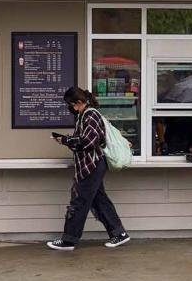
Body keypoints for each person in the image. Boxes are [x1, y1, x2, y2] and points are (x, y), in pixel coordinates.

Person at [47, 87, 130, 250]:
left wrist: (65, 141)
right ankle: (119, 234)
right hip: (92, 164)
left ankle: (69, 240)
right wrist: (67, 140)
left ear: (78, 102)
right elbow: (86, 140)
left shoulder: (90, 115)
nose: (70, 108)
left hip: (92, 165)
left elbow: (88, 142)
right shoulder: (85, 115)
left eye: (71, 104)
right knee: (99, 200)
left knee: (79, 201)